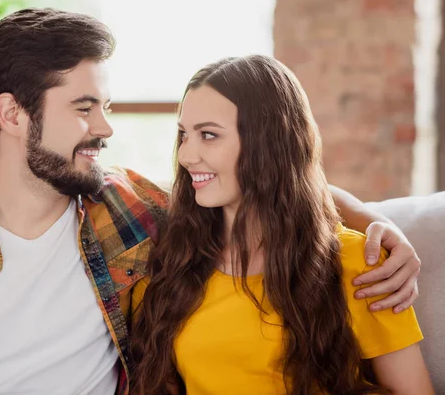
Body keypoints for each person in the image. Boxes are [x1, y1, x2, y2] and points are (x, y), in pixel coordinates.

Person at [0, 9, 422, 395]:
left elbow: (274, 187)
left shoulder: (130, 213)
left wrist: (375, 222)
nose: (105, 128)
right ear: (12, 114)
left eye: (109, 108)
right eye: (83, 107)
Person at [130, 55, 433, 395]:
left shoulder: (359, 264)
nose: (186, 156)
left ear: (269, 143)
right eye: (184, 135)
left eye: (209, 135)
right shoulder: (173, 264)